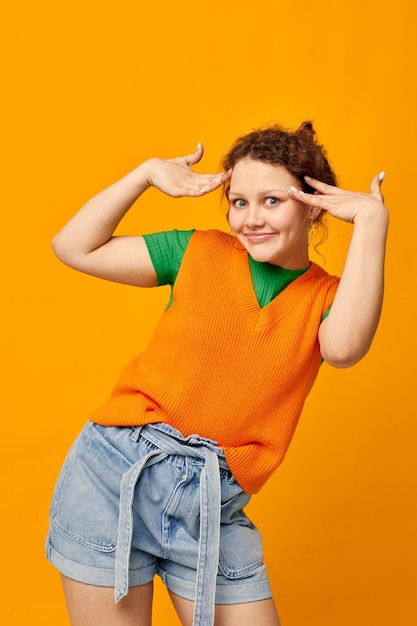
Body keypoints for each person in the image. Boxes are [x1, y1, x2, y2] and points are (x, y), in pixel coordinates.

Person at [46, 121, 389, 626]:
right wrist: (143, 175)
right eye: (239, 201)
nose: (251, 219)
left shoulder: (328, 298)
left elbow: (342, 349)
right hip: (112, 478)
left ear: (314, 203)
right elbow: (74, 247)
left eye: (273, 200)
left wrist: (371, 221)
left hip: (214, 500)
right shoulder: (197, 251)